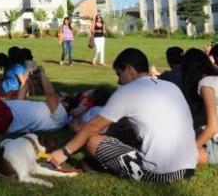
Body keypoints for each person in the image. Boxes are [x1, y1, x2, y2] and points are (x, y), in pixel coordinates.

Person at [48, 48, 197, 183]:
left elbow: (93, 126)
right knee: (125, 130)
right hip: (189, 166)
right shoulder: (170, 86)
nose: (118, 81)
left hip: (160, 173)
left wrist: (64, 152)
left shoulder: (128, 91)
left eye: (119, 74)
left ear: (129, 69)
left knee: (94, 142)